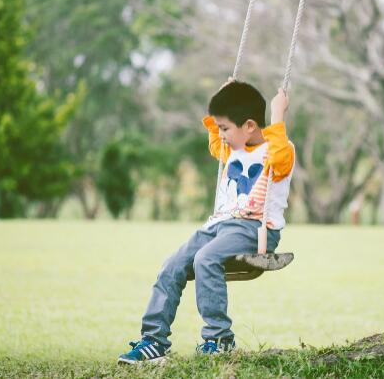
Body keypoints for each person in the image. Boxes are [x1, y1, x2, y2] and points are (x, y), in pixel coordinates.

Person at [118, 80, 295, 364]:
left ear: (250, 125)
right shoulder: (231, 148)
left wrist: (277, 115)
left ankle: (219, 339)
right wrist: (223, 100)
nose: (221, 135)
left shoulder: (278, 152)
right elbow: (215, 140)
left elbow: (278, 151)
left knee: (205, 259)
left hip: (255, 229)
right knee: (172, 265)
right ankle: (154, 341)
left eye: (225, 128)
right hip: (217, 227)